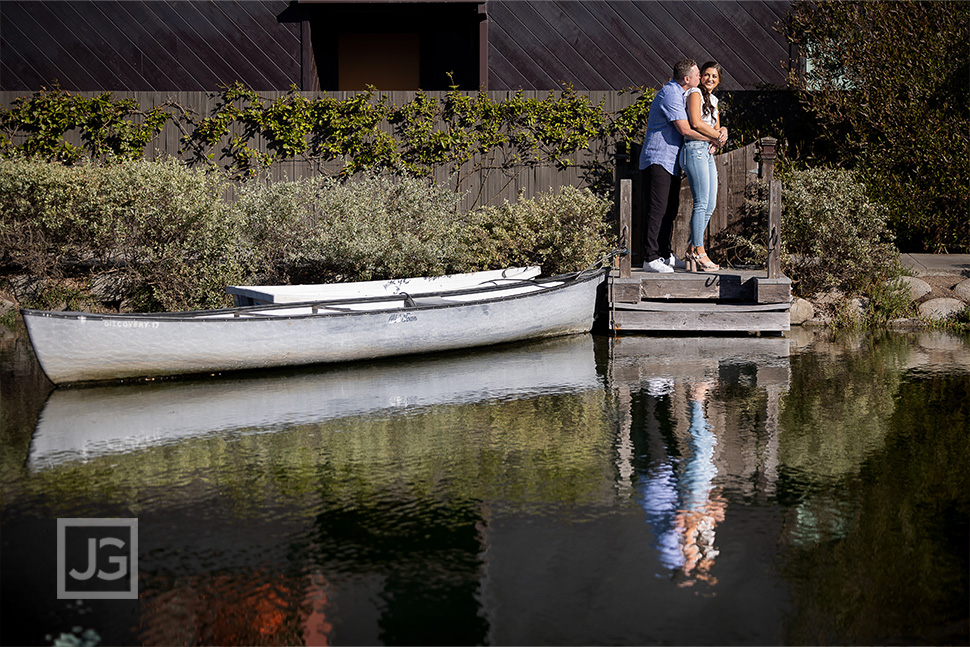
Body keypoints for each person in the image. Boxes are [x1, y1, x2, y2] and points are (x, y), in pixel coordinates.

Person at [639, 59, 718, 273]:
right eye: (696, 75)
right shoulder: (671, 94)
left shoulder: (683, 94)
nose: (699, 78)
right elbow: (685, 129)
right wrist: (714, 138)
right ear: (687, 79)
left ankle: (665, 255)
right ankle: (650, 258)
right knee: (657, 210)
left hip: (671, 160)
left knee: (670, 209)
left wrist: (718, 133)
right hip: (658, 158)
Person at [681, 61, 728, 272]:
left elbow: (716, 127)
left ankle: (691, 248)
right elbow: (696, 123)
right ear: (700, 77)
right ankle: (699, 251)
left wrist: (723, 131)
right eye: (707, 75)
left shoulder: (714, 99)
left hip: (707, 153)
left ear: (718, 81)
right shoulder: (694, 94)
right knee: (701, 203)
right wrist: (717, 136)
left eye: (714, 77)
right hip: (694, 149)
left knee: (710, 205)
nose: (710, 79)